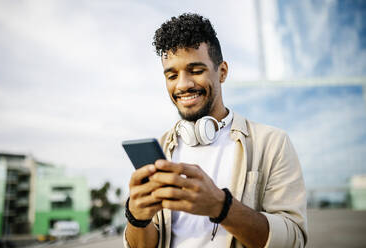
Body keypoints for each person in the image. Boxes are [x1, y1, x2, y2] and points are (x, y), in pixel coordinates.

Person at [123, 13, 307, 248]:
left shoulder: (272, 143)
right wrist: (137, 219)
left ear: (222, 72)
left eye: (196, 70)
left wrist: (221, 207)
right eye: (172, 75)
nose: (183, 84)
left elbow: (294, 240)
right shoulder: (160, 149)